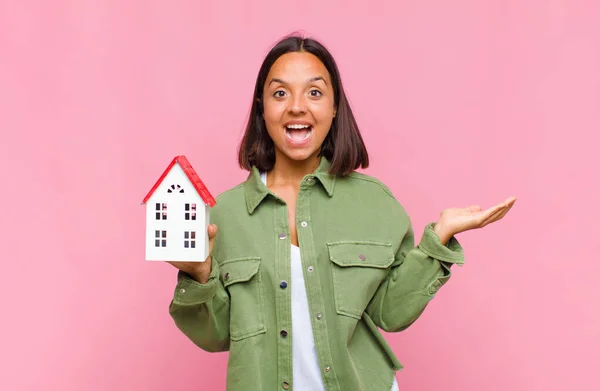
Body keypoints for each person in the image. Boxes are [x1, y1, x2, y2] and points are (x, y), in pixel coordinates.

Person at [167, 34, 516, 391]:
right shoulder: (223, 214)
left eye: (314, 92)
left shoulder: (374, 203)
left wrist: (437, 241)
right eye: (280, 93)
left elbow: (391, 313)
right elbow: (214, 336)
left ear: (334, 107)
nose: (297, 107)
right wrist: (199, 276)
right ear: (262, 108)